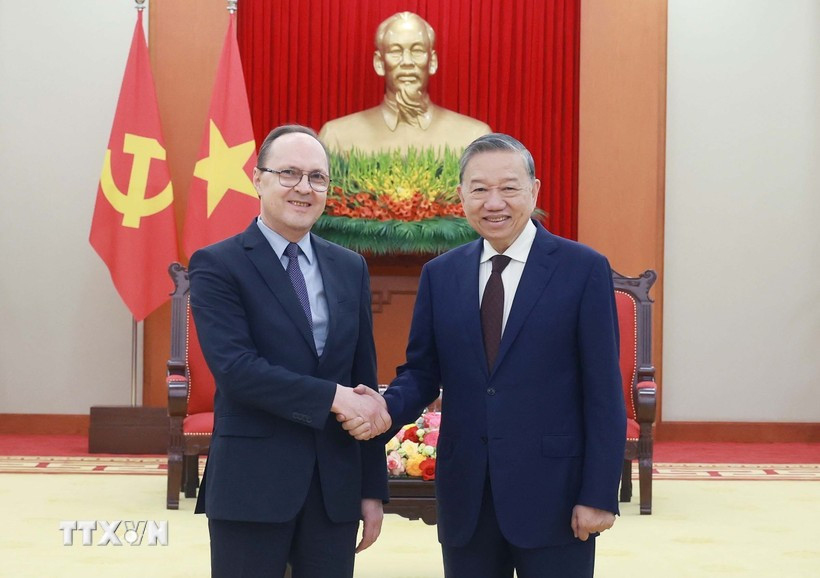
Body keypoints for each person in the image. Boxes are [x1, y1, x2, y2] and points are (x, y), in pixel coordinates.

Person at [343, 133, 626, 577]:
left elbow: (604, 390)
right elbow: (421, 372)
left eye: (509, 187)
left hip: (554, 493)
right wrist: (381, 409)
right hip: (466, 495)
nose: (494, 202)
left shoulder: (582, 269)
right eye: (479, 189)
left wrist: (598, 494)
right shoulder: (441, 274)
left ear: (534, 190)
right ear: (461, 197)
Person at [188, 124, 391, 578]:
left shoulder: (349, 266)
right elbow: (237, 370)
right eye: (289, 174)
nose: (304, 187)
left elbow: (363, 376)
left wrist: (371, 488)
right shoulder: (218, 264)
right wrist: (334, 398)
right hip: (252, 484)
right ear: (258, 179)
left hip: (333, 489)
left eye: (317, 177)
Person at [319, 11, 490, 155]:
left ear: (432, 62)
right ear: (379, 63)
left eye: (417, 50)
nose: (407, 62)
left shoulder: (473, 137)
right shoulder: (337, 138)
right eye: (395, 51)